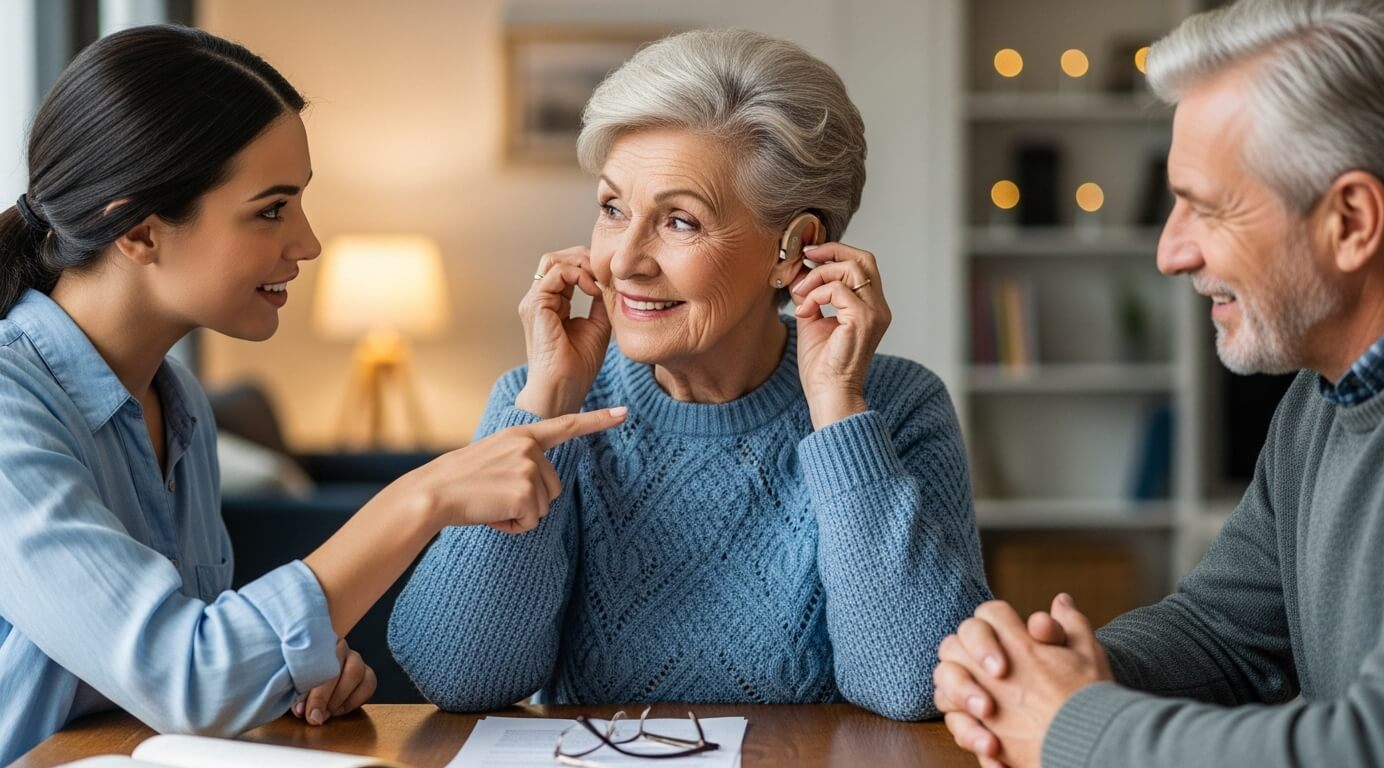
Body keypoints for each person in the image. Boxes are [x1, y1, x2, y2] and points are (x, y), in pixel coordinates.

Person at [0, 25, 625, 763]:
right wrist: (418, 497)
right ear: (138, 230)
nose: (307, 242)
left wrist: (286, 673)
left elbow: (197, 666)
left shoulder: (181, 407)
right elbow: (187, 679)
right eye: (271, 209)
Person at [388, 28, 990, 721]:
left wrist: (837, 411)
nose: (622, 261)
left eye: (679, 221)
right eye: (613, 209)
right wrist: (547, 408)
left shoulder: (895, 405)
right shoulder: (542, 403)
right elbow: (457, 675)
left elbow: (914, 683)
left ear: (795, 250)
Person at [932, 0, 1384, 765]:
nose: (1170, 253)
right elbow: (1222, 631)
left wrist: (1065, 726)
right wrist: (1043, 677)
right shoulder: (1317, 403)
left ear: (1351, 220)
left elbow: (1376, 743)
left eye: (1205, 208)